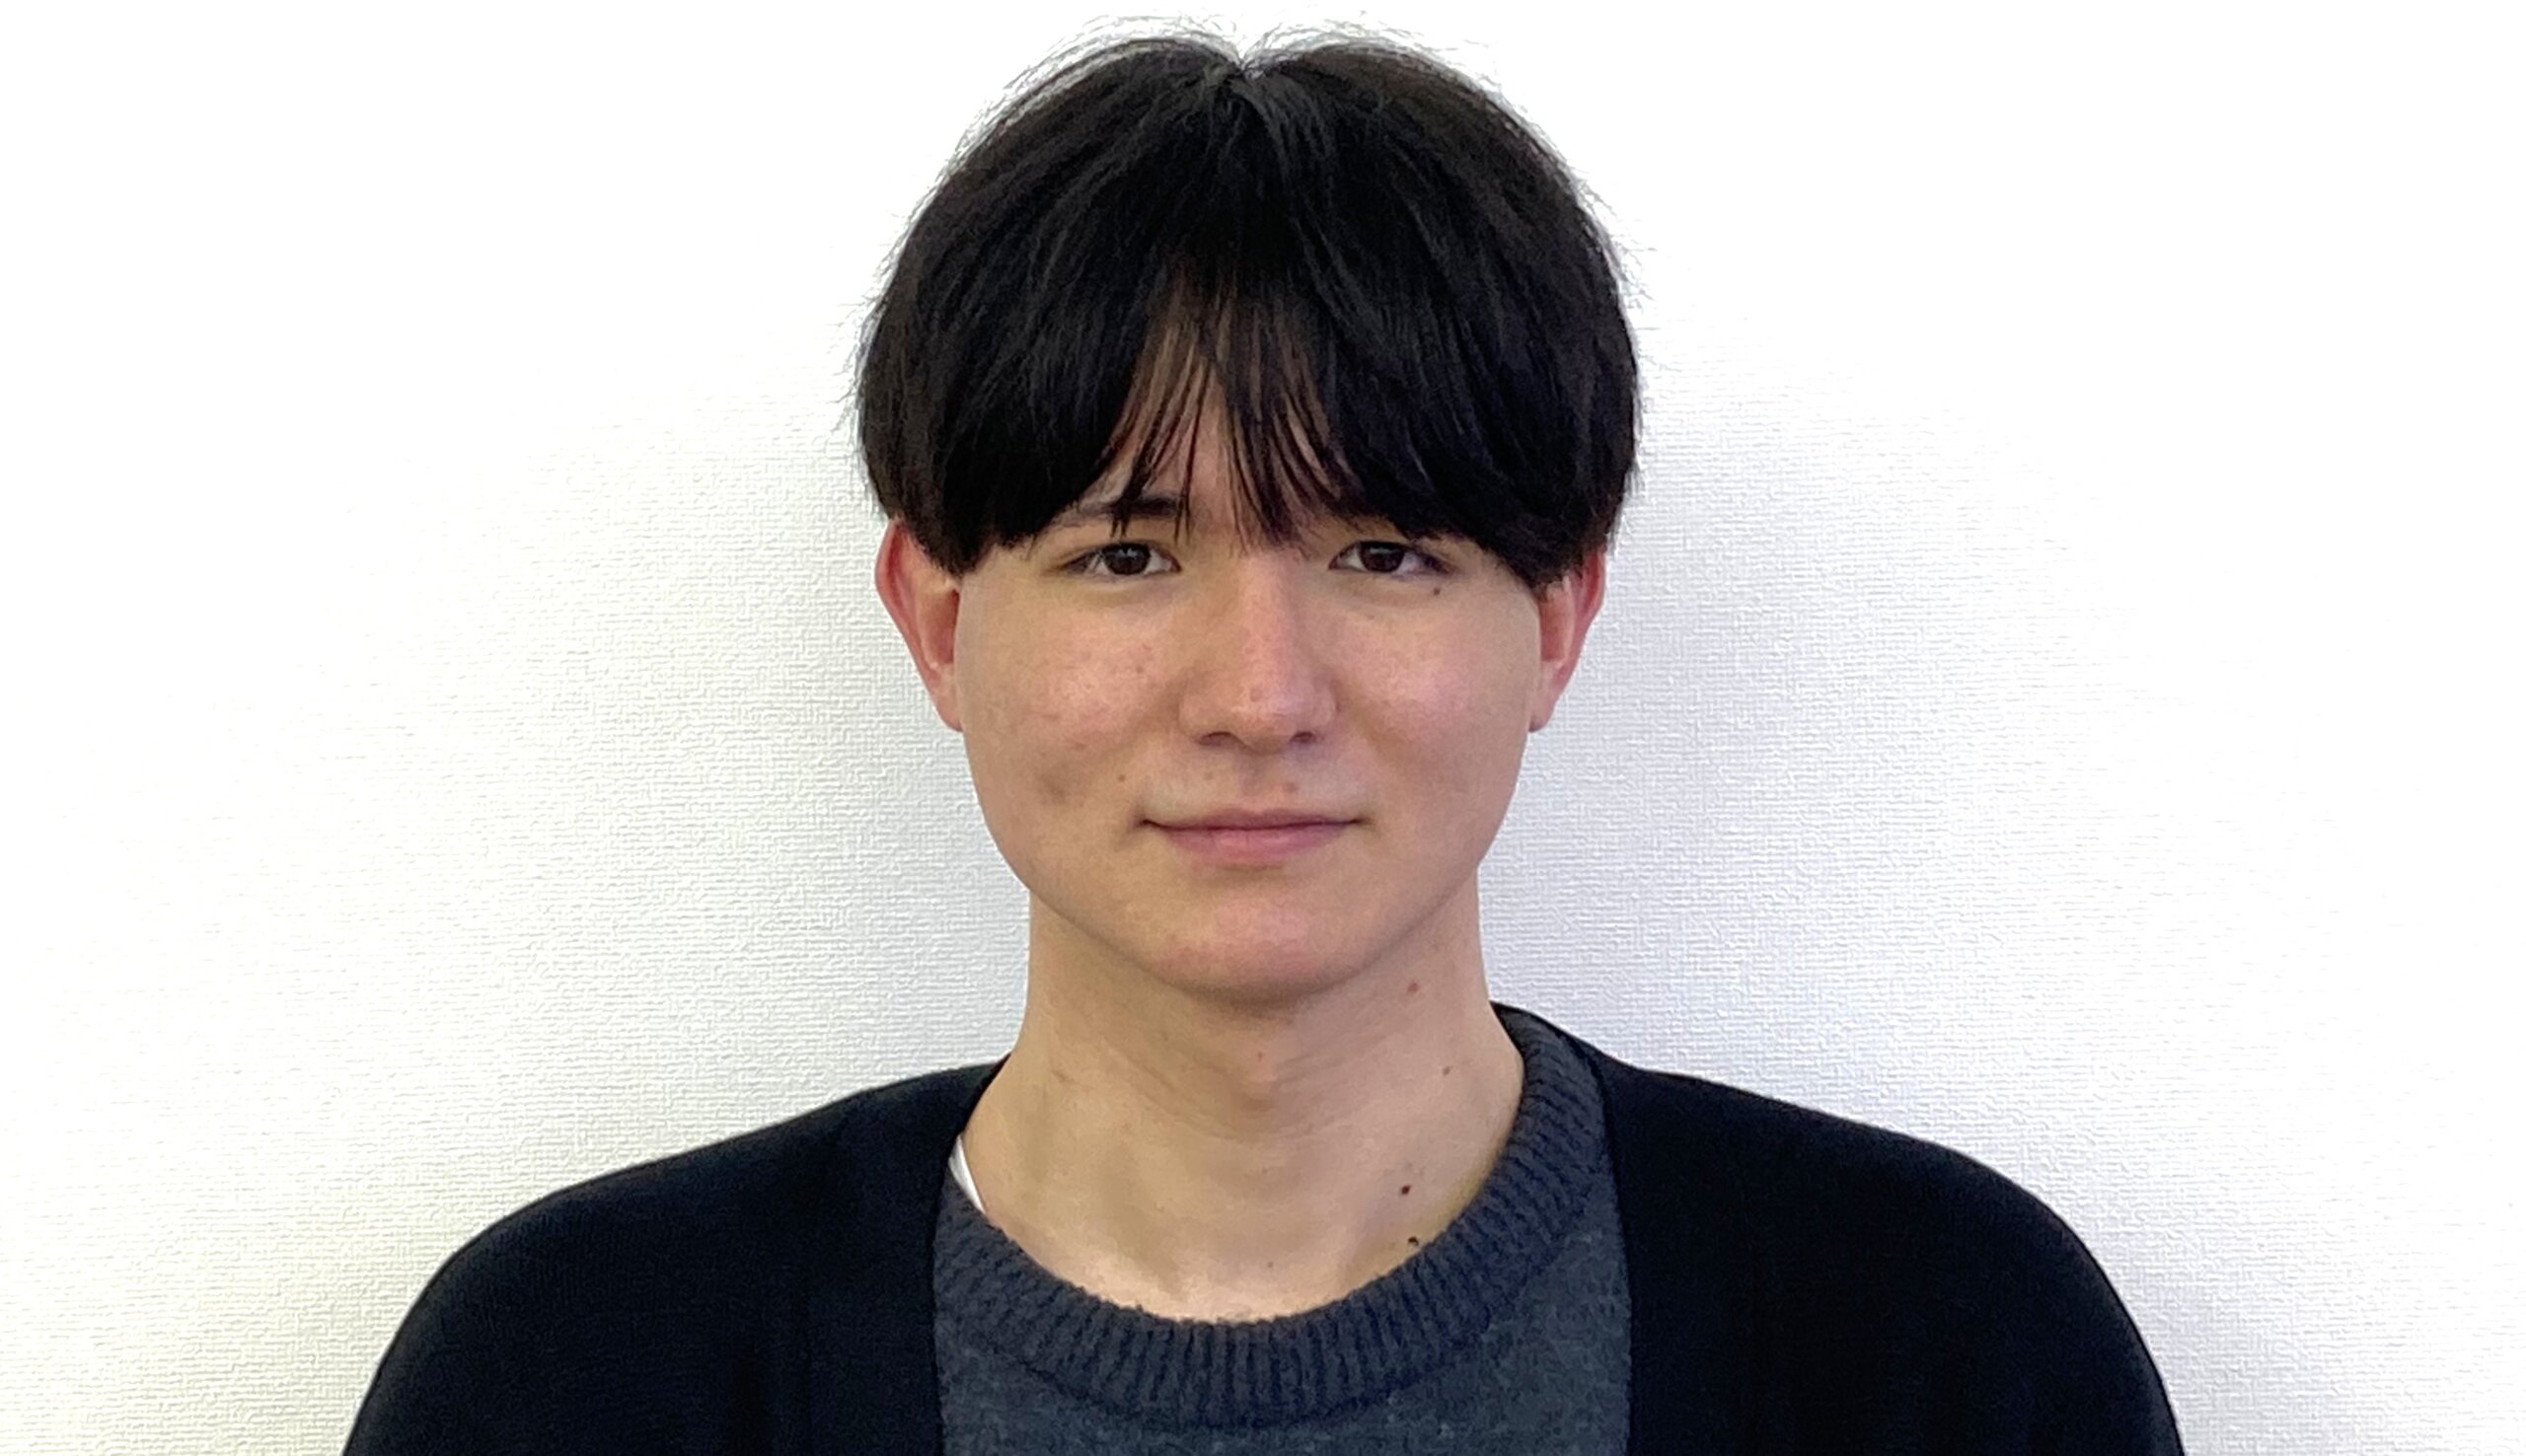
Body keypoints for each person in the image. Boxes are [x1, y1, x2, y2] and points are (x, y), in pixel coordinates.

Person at [345, 30, 2182, 1454]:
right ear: (941, 624)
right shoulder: (574, 1369)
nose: (1257, 693)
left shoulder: (1945, 1346)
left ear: (1556, 619)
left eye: (1383, 553)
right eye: (1128, 555)